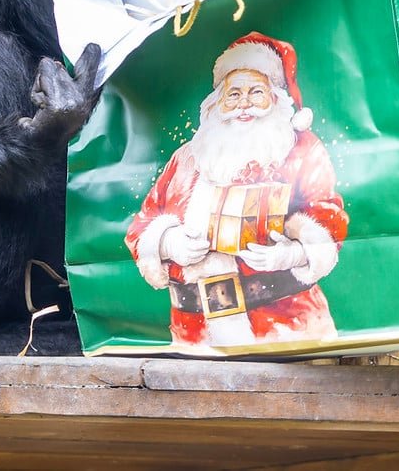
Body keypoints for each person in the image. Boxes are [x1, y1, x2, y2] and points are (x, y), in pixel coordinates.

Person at [126, 33, 348, 348]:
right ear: (218, 101)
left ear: (275, 97)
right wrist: (167, 242)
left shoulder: (301, 150)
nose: (243, 103)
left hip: (286, 328)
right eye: (234, 94)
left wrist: (292, 254)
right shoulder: (187, 157)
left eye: (256, 92)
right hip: (195, 335)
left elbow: (328, 218)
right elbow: (143, 223)